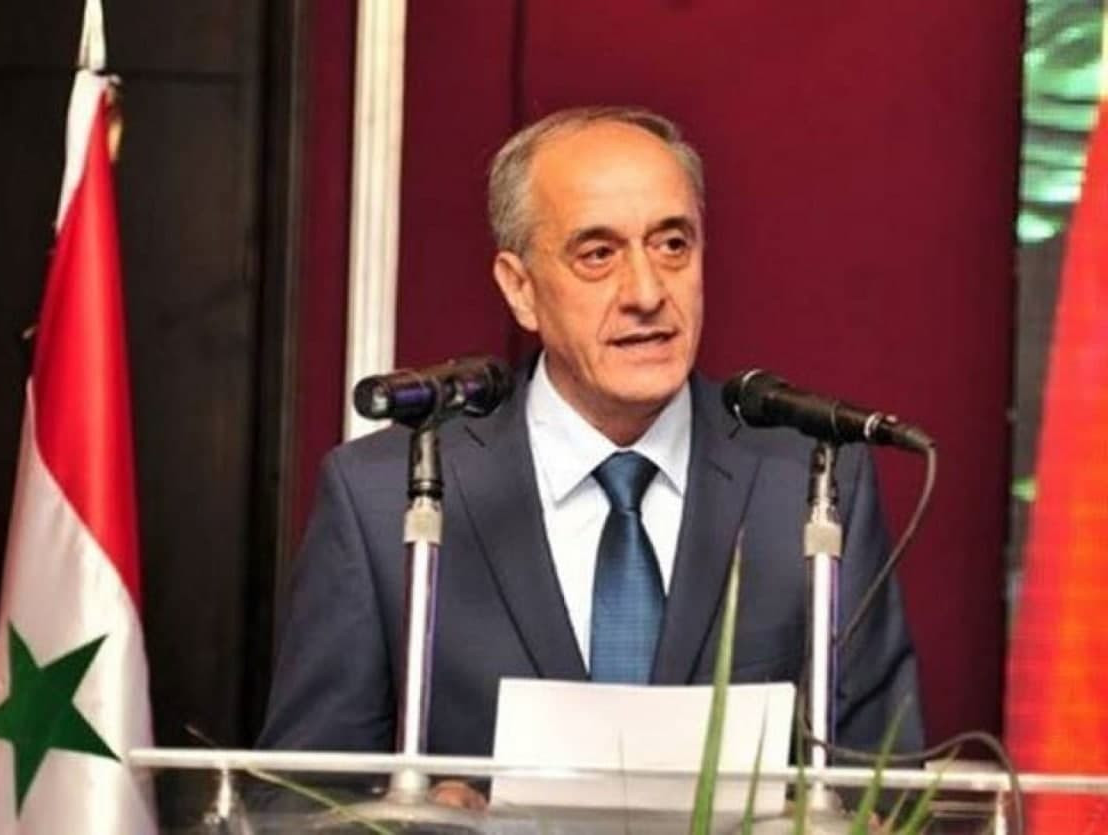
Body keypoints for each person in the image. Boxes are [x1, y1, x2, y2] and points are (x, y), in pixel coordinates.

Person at [257, 107, 923, 790]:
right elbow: (296, 800)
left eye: (672, 245)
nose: (647, 293)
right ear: (520, 289)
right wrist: (418, 821)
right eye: (598, 254)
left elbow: (886, 793)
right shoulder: (381, 497)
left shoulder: (813, 483)